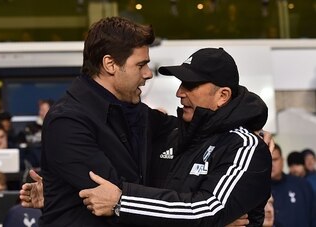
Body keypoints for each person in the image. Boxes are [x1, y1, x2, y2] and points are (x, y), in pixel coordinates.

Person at [79, 47, 272, 226]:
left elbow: (208, 210)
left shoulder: (246, 147)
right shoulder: (172, 136)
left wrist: (123, 202)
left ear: (222, 95)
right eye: (181, 84)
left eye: (190, 85)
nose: (179, 93)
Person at [35, 16, 177, 227]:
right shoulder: (66, 121)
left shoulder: (134, 111)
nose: (148, 74)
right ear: (110, 64)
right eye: (141, 65)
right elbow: (114, 193)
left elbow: (189, 131)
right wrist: (199, 214)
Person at [271, 143, 316, 227]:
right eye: (266, 159)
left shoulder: (302, 185)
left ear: (282, 160)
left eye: (275, 159)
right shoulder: (254, 190)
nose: (271, 164)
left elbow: (313, 216)